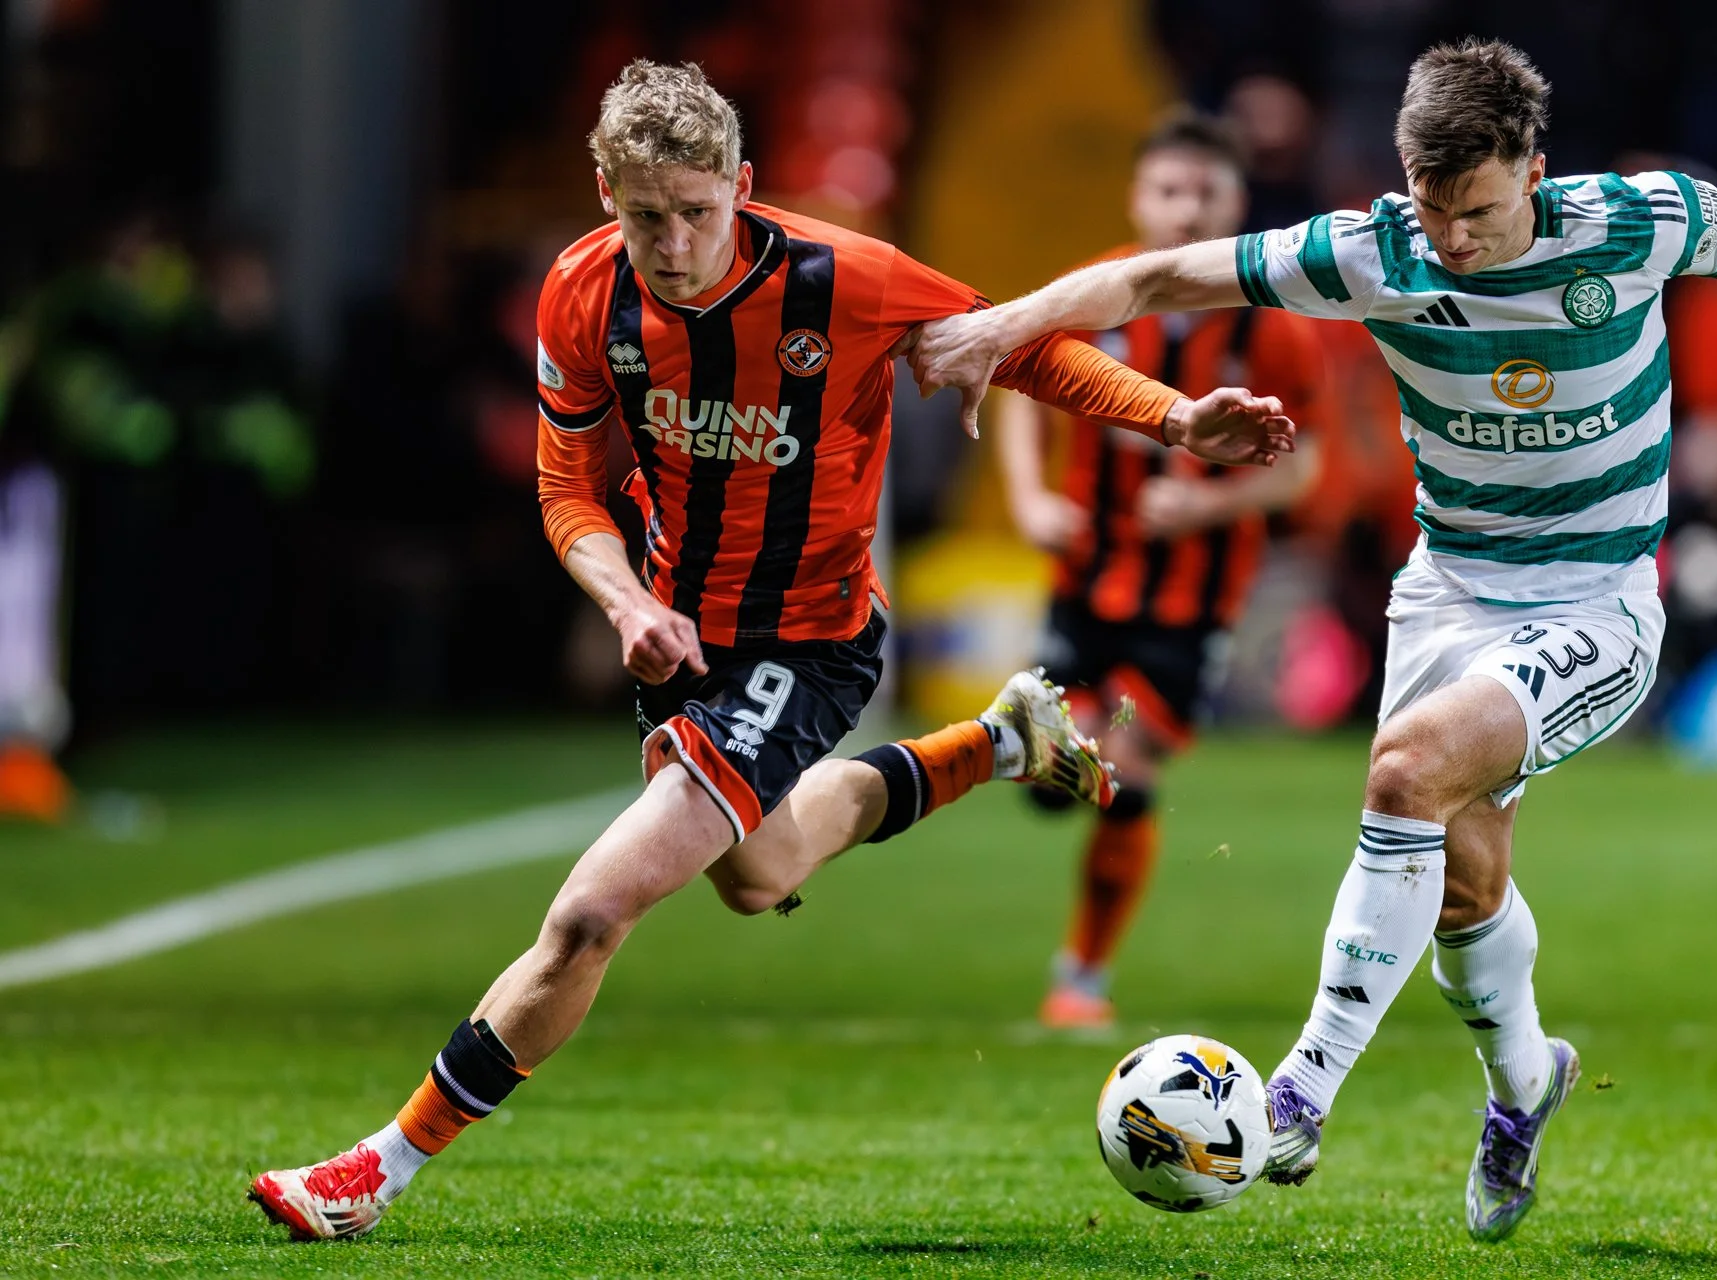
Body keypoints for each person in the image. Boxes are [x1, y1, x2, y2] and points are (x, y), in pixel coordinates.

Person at [246, 60, 1294, 1242]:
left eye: (698, 211)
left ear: (742, 185)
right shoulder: (581, 296)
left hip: (811, 637)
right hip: (682, 636)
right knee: (759, 873)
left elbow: (1020, 345)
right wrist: (624, 603)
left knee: (593, 910)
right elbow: (566, 488)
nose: (677, 242)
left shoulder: (841, 277)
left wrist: (1172, 417)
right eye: (648, 215)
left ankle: (374, 1170)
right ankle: (998, 739)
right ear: (604, 193)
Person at [910, 38, 1717, 1241]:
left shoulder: (1633, 222)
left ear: (1533, 168)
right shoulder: (1369, 251)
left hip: (1595, 599)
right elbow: (1154, 280)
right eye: (1431, 209)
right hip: (1447, 593)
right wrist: (992, 327)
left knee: (1401, 775)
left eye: (1476, 210)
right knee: (1461, 887)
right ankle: (1527, 1081)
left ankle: (1298, 1091)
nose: (1450, 241)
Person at [1000, 111, 1325, 1029]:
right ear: (1139, 198)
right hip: (1086, 578)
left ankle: (1081, 982)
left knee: (1126, 772)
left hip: (1191, 603)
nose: (1187, 210)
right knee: (1051, 773)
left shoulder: (1275, 328)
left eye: (1205, 193)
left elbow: (1307, 466)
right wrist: (1029, 500)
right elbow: (1017, 385)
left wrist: (1211, 503)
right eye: (1170, 190)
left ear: (1237, 204)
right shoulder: (1089, 293)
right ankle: (1070, 760)